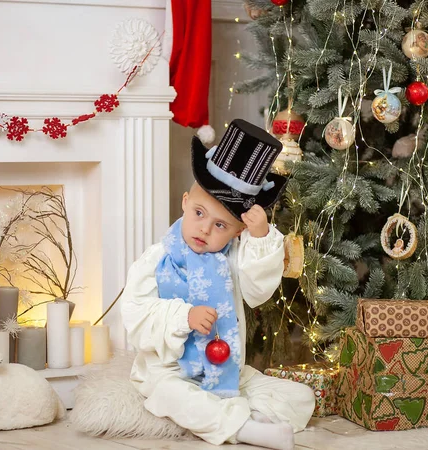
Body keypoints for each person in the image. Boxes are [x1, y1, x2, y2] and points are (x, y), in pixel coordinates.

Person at [120, 119, 315, 450]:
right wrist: (183, 317)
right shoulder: (159, 257)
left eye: (220, 224)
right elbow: (135, 315)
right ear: (184, 202)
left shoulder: (235, 257)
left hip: (228, 372)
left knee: (300, 396)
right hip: (170, 371)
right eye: (198, 213)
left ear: (237, 231)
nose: (204, 230)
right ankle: (247, 428)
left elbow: (257, 292)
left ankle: (227, 414)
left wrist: (261, 238)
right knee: (170, 395)